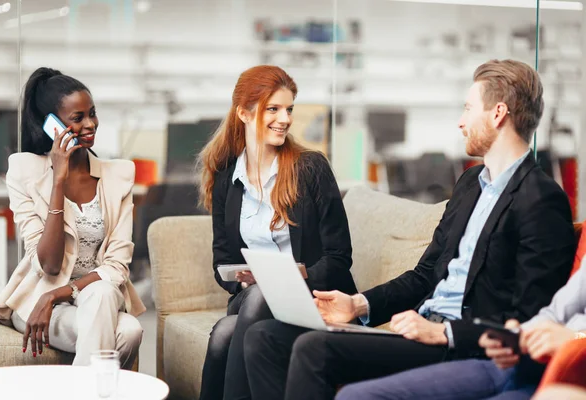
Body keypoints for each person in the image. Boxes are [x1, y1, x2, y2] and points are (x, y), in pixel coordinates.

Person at [243, 59, 577, 400]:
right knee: (264, 338)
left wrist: (444, 331)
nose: (461, 122)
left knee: (314, 350)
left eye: (468, 109)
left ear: (498, 114)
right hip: (419, 331)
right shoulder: (469, 185)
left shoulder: (541, 199)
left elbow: (531, 316)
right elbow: (424, 274)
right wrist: (358, 305)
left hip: (459, 346)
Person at [197, 65, 357, 400]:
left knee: (229, 329)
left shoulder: (310, 167)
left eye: (288, 109)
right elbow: (222, 259)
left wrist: (299, 274)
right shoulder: (227, 177)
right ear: (243, 113)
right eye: (273, 109)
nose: (284, 119)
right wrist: (240, 278)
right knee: (234, 320)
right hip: (252, 300)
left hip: (312, 298)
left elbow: (340, 258)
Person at [0, 67, 146, 369]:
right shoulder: (25, 171)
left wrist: (61, 294)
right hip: (37, 298)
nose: (90, 124)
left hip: (91, 294)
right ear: (51, 125)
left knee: (102, 291)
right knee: (128, 332)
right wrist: (58, 180)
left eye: (92, 113)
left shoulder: (118, 176)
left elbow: (117, 266)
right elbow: (48, 263)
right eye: (78, 118)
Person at [335, 254, 586, 400]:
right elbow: (554, 313)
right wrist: (518, 334)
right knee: (355, 396)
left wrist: (573, 340)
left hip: (568, 374)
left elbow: (569, 335)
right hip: (519, 363)